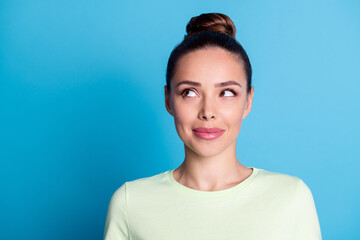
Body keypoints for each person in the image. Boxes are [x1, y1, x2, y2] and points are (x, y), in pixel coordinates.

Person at [103, 12, 322, 240]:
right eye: (189, 92)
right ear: (168, 99)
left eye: (227, 92)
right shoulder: (130, 203)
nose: (208, 112)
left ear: (247, 101)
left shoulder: (291, 197)